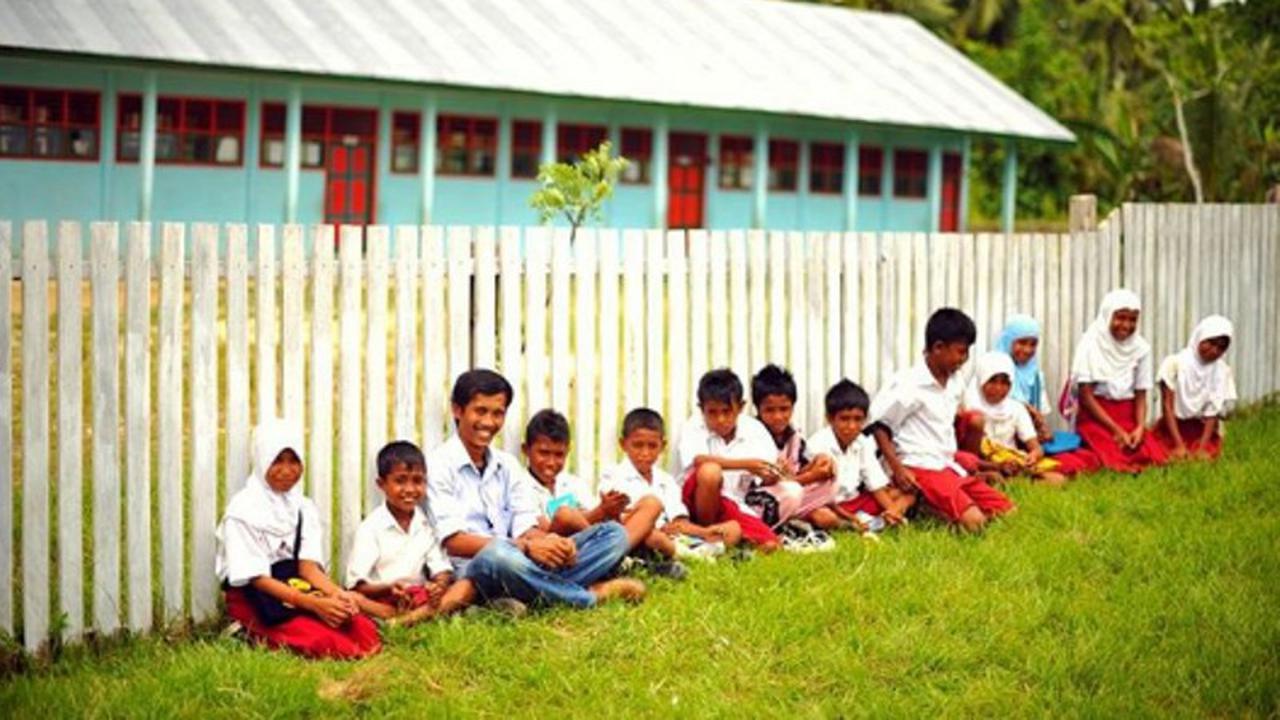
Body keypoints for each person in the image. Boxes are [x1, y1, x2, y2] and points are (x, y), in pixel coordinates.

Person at [427, 369, 644, 610]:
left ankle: (531, 594)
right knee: (497, 554)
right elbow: (454, 542)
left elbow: (526, 526)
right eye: (480, 411)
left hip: (522, 561)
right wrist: (525, 546)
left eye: (497, 413)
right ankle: (590, 596)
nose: (489, 422)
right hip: (476, 568)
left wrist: (553, 542)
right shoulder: (438, 465)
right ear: (457, 410)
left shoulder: (507, 465)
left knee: (613, 533)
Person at [216, 418, 381, 659]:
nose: (287, 470)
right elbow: (258, 580)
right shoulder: (242, 512)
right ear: (262, 461)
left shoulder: (302, 507)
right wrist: (313, 605)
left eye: (294, 460)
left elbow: (308, 568)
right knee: (332, 645)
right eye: (277, 461)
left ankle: (298, 623)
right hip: (258, 597)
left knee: (364, 632)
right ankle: (246, 630)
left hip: (296, 584)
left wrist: (337, 595)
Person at [869, 308, 1015, 532]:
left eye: (966, 353)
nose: (964, 360)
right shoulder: (909, 384)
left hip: (945, 464)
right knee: (975, 524)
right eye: (960, 352)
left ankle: (927, 504)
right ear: (937, 348)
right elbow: (879, 426)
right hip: (918, 466)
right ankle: (921, 504)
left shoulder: (954, 380)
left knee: (1007, 512)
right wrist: (898, 470)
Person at [345, 441, 475, 626]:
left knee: (466, 586)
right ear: (381, 484)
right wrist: (389, 589)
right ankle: (416, 618)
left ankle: (402, 622)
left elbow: (441, 570)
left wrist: (437, 587)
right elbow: (356, 585)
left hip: (417, 597)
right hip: (383, 599)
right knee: (352, 598)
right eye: (400, 480)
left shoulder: (426, 524)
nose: (410, 489)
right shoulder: (371, 528)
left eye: (417, 481)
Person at [521, 408, 667, 566]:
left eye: (559, 455)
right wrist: (600, 511)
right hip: (559, 550)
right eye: (543, 453)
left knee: (652, 504)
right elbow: (543, 530)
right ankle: (619, 559)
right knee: (565, 515)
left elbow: (594, 523)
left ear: (568, 452)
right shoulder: (520, 485)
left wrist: (611, 512)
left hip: (592, 541)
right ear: (525, 450)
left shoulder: (573, 483)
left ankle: (619, 557)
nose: (551, 462)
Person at [599, 408, 741, 563]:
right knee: (653, 537)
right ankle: (697, 557)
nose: (645, 453)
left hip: (676, 537)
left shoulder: (666, 480)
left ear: (663, 446)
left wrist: (705, 531)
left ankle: (696, 552)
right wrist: (653, 527)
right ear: (623, 444)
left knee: (733, 528)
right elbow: (614, 522)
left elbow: (680, 521)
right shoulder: (612, 476)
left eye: (652, 446)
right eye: (638, 445)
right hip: (642, 537)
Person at [678, 368, 786, 552]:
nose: (720, 419)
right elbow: (698, 461)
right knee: (710, 471)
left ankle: (722, 539)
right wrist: (747, 464)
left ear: (741, 407)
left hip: (732, 503)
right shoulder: (694, 425)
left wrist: (773, 474)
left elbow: (766, 476)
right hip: (695, 502)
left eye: (727, 412)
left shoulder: (754, 429)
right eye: (712, 412)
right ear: (701, 409)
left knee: (771, 544)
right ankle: (706, 534)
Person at [1069, 290, 1169, 473]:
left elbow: (1141, 394)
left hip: (1128, 414)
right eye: (1120, 318)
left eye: (1132, 320)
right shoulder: (1091, 343)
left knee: (1151, 455)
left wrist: (1139, 426)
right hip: (1097, 416)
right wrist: (1115, 430)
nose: (1126, 325)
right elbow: (1086, 396)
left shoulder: (1140, 348)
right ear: (1108, 315)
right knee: (1108, 455)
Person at [806, 379, 913, 531]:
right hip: (830, 505)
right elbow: (821, 498)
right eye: (844, 419)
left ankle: (880, 520)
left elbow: (876, 486)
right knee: (821, 517)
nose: (851, 426)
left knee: (903, 495)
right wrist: (852, 519)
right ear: (830, 418)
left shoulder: (863, 442)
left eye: (858, 419)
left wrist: (893, 511)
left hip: (854, 502)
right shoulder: (818, 445)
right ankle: (855, 526)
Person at [748, 365, 837, 538]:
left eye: (784, 409)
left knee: (831, 472)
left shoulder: (793, 436)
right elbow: (756, 486)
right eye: (770, 410)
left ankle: (791, 517)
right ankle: (781, 522)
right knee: (791, 493)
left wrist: (818, 463)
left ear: (793, 407)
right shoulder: (752, 434)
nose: (778, 417)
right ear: (758, 409)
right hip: (760, 501)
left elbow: (800, 469)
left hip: (790, 493)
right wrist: (808, 477)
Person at [964, 352, 1068, 485]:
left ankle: (1016, 481)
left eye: (1005, 383)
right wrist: (995, 465)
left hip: (1012, 462)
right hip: (984, 464)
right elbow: (967, 454)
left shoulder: (1016, 408)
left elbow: (1036, 447)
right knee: (991, 477)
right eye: (993, 381)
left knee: (1059, 480)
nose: (999, 388)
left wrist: (1032, 457)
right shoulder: (969, 407)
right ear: (981, 379)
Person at [1153, 315, 1237, 460]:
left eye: (1221, 347)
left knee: (1204, 457)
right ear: (1200, 336)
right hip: (1173, 428)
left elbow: (1213, 412)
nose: (1214, 351)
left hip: (1201, 430)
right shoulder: (1174, 364)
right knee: (1161, 453)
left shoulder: (1221, 372)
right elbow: (1167, 406)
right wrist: (1179, 444)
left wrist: (1202, 447)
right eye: (1210, 343)